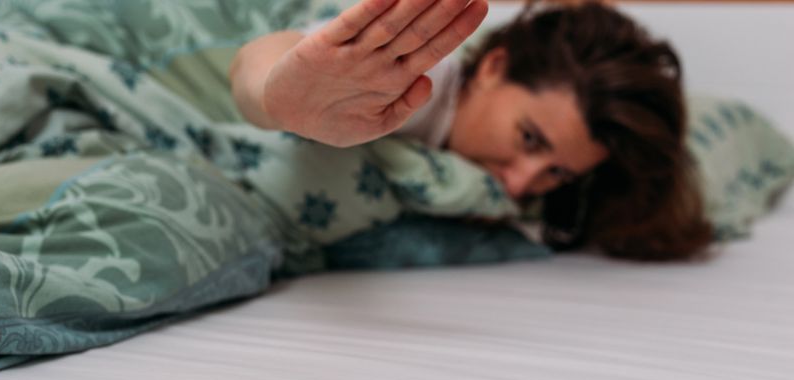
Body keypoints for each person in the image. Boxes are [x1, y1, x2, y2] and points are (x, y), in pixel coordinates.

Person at [229, 0, 713, 261]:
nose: (521, 184)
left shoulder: (550, 204)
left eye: (557, 172)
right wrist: (279, 99)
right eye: (529, 139)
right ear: (494, 66)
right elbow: (268, 57)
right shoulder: (416, 80)